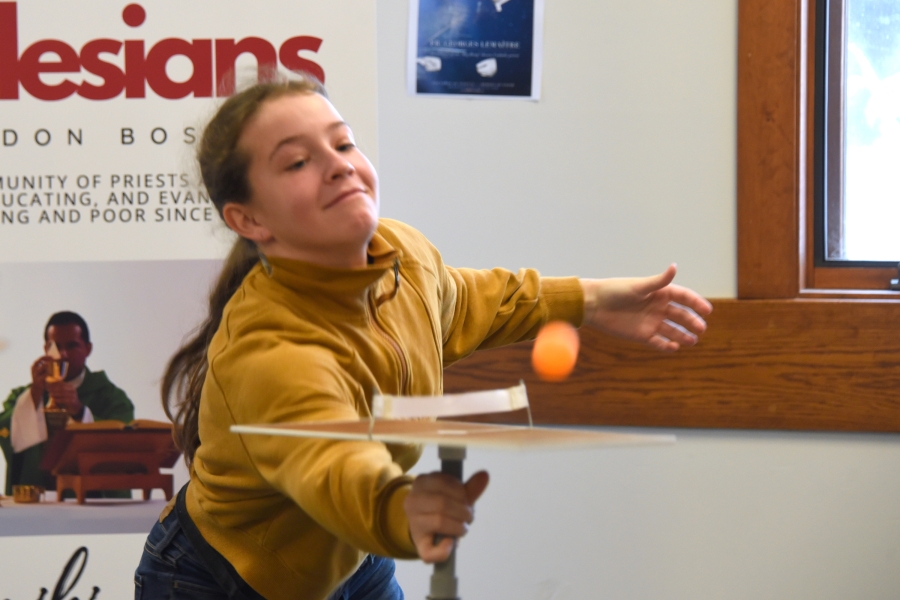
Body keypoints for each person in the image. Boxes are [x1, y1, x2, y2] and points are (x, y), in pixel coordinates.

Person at [134, 72, 713, 600]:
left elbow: (469, 301)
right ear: (249, 220)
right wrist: (399, 510)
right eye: (296, 163)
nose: (338, 165)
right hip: (222, 579)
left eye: (342, 143)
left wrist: (591, 300)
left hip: (350, 559)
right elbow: (330, 464)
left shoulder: (403, 253)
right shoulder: (269, 350)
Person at [0, 311, 135, 496]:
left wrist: (80, 412)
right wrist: (34, 396)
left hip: (91, 506)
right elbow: (6, 433)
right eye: (55, 346)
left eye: (72, 346)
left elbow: (122, 446)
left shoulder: (110, 397)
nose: (62, 355)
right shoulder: (24, 397)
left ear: (88, 349)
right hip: (36, 506)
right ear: (46, 348)